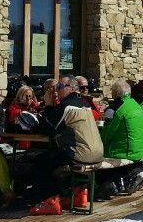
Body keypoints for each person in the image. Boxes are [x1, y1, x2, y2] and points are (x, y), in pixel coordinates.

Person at [32, 76, 104, 214]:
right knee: (52, 157)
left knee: (41, 162)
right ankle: (77, 194)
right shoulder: (84, 103)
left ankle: (50, 201)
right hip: (97, 153)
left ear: (71, 88)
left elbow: (46, 128)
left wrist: (47, 105)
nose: (56, 90)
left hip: (80, 154)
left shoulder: (67, 106)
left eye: (59, 87)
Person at [101, 79, 143, 161]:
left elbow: (106, 137)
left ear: (114, 93)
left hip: (124, 153)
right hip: (141, 150)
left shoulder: (113, 109)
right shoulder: (136, 105)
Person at [6, 85, 41, 150]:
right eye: (25, 96)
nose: (28, 98)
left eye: (30, 96)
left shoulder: (35, 106)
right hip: (19, 136)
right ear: (20, 96)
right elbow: (13, 121)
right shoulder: (13, 107)